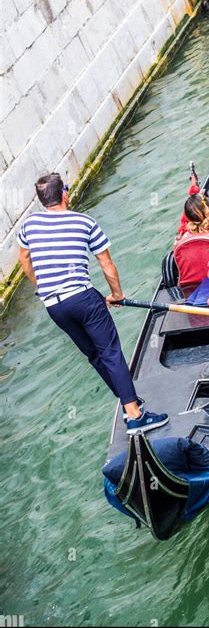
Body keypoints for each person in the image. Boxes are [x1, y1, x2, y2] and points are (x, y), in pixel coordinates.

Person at [17, 172, 168, 435]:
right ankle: (135, 416)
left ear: (42, 200)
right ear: (65, 194)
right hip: (82, 298)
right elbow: (106, 263)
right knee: (111, 353)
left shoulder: (29, 225)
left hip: (54, 306)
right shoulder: (84, 222)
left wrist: (41, 286)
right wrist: (117, 294)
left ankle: (127, 401)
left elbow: (24, 259)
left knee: (95, 356)